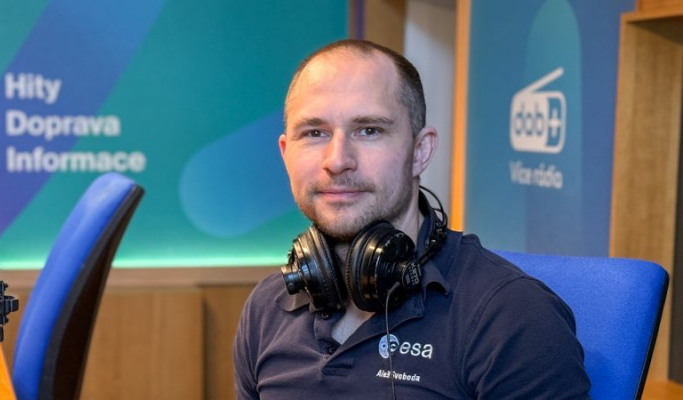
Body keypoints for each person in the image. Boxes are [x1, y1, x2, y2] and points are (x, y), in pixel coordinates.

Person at [233, 39, 590, 399]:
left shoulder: (509, 315)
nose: (337, 160)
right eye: (314, 133)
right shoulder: (266, 308)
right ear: (286, 154)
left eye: (369, 130)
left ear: (420, 151)